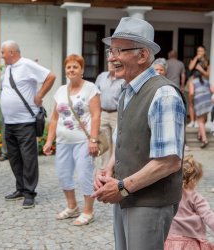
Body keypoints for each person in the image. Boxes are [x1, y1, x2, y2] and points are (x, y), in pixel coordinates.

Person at [92, 17, 186, 250]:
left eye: (119, 50)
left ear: (143, 55)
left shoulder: (163, 94)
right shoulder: (127, 90)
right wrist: (109, 168)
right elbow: (125, 138)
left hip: (149, 202)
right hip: (128, 194)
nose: (111, 57)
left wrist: (122, 187)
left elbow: (169, 162)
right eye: (110, 50)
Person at [43, 54, 100, 226]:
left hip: (83, 141)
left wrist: (94, 140)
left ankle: (88, 211)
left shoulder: (90, 88)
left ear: (82, 69)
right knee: (63, 174)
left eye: (75, 67)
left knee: (84, 176)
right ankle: (72, 206)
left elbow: (96, 115)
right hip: (63, 141)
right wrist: (48, 141)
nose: (71, 70)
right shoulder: (60, 91)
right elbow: (54, 119)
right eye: (68, 67)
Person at [0, 40, 56, 208]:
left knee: (28, 159)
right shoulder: (9, 68)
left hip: (25, 122)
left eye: (3, 52)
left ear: (12, 52)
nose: (2, 56)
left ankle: (30, 193)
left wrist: (39, 95)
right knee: (14, 158)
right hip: (9, 122)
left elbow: (50, 76)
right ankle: (21, 187)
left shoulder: (26, 64)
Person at [165, 155, 214, 249]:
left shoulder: (169, 193)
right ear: (194, 179)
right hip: (191, 242)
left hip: (169, 240)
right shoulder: (195, 196)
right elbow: (208, 215)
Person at [95, 62, 124, 169]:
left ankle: (114, 169)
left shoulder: (123, 79)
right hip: (103, 113)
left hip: (116, 114)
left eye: (114, 63)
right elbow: (95, 95)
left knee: (117, 142)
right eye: (110, 62)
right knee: (104, 143)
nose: (111, 64)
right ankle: (104, 168)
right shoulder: (101, 77)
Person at [188, 66, 214, 148]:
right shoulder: (206, 81)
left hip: (199, 102)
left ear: (193, 76)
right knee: (204, 120)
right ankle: (200, 135)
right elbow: (212, 90)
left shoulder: (192, 81)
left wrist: (191, 102)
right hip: (208, 101)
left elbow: (191, 93)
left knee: (200, 121)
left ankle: (204, 139)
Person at [187, 45, 210, 128]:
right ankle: (192, 121)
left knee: (199, 102)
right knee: (191, 101)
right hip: (192, 82)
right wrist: (196, 58)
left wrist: (201, 70)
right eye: (198, 51)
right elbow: (190, 68)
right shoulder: (194, 60)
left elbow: (208, 74)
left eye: (201, 51)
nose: (199, 52)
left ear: (204, 52)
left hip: (201, 83)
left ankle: (197, 121)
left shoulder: (207, 61)